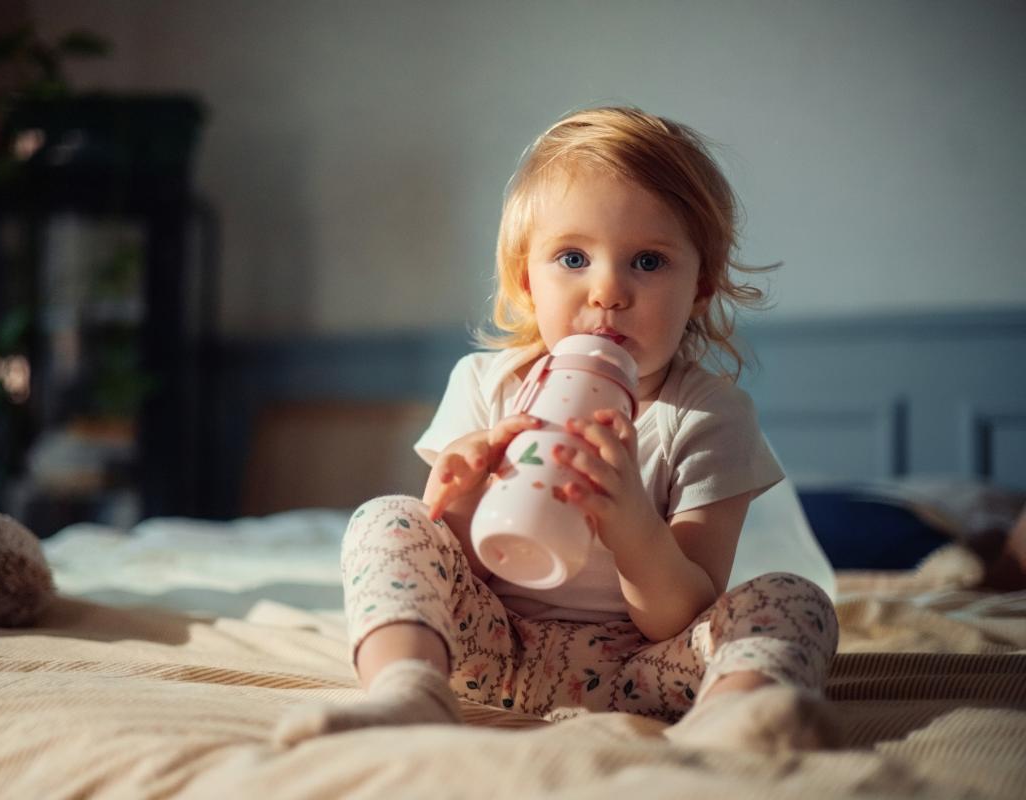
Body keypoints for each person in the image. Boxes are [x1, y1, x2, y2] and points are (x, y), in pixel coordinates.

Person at [274, 106, 840, 752]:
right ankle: (408, 691)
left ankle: (732, 723)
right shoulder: (488, 385)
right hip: (492, 651)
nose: (607, 291)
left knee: (795, 601)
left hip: (641, 674)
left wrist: (631, 523)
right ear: (524, 281)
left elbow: (680, 615)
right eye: (573, 257)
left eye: (648, 263)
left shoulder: (709, 415)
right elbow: (457, 565)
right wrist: (461, 491)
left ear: (701, 287)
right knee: (389, 517)